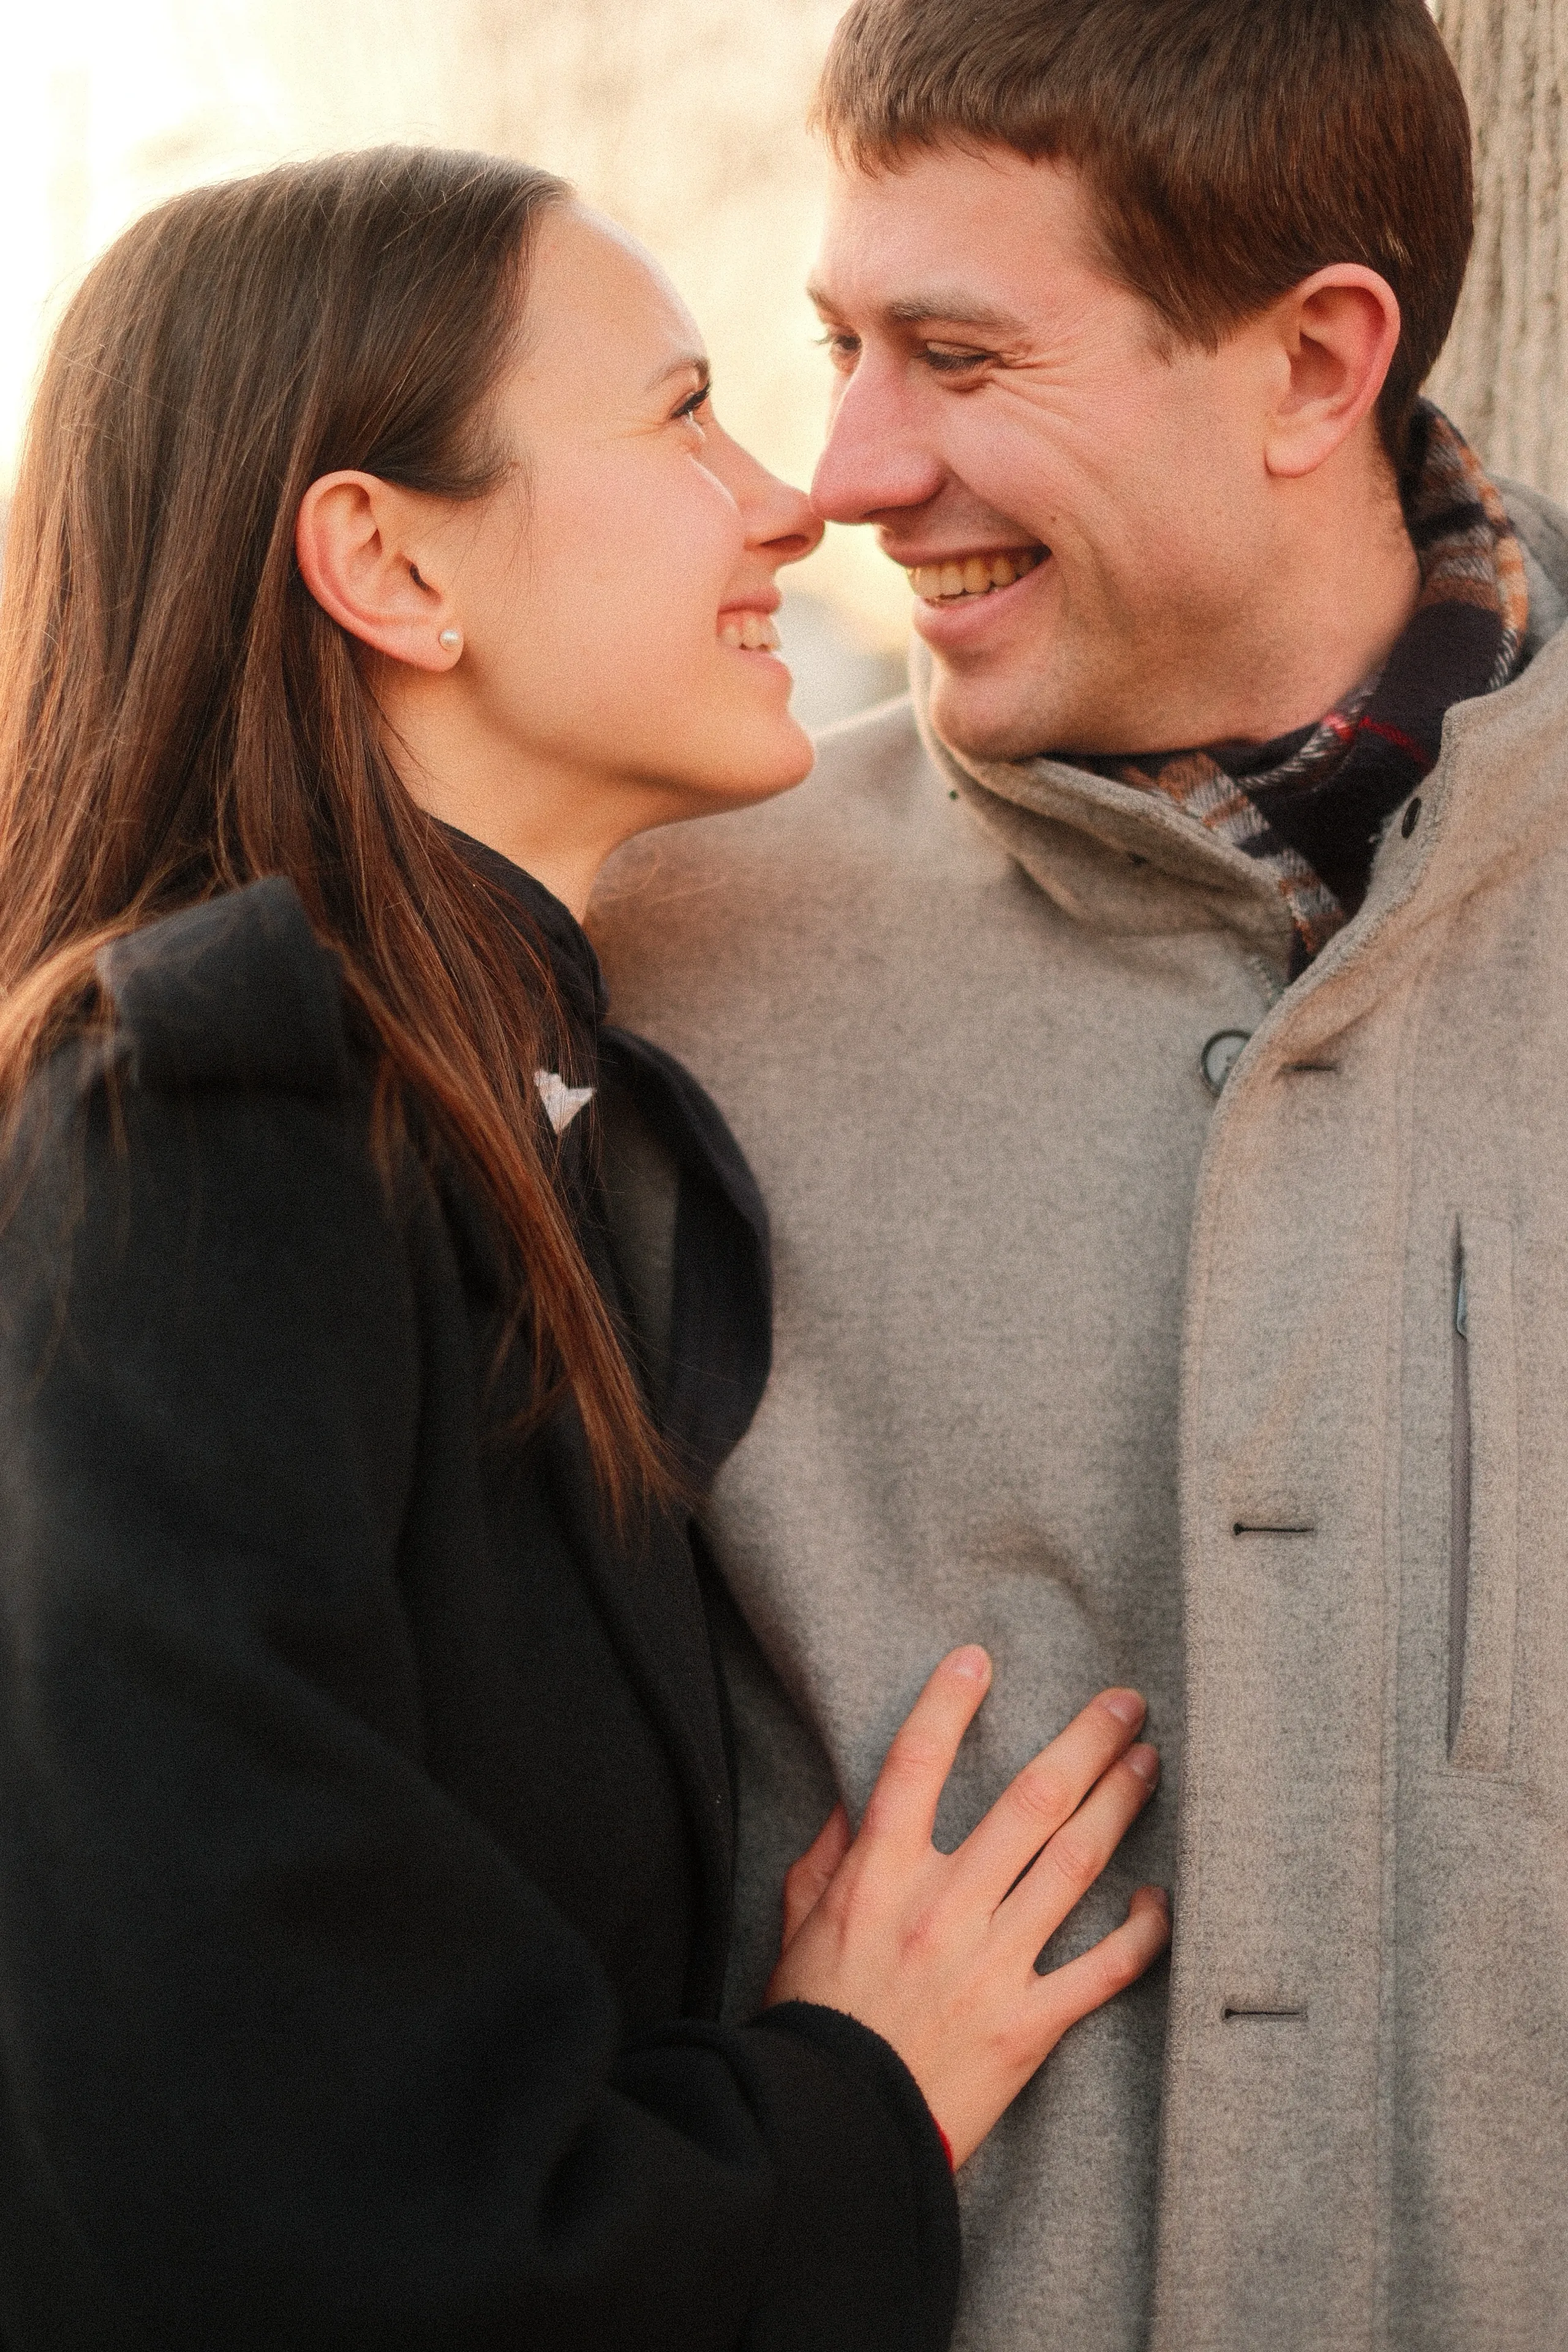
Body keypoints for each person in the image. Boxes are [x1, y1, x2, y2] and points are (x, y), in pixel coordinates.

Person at [0, 147, 1173, 2349]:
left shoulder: (465, 1117)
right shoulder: (197, 1153)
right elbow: (268, 2208)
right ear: (387, 565)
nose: (790, 503)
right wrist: (852, 2096)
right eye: (681, 414)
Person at [590, 2, 1568, 2346]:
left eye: (954, 353)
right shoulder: (668, 950)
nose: (840, 466)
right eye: (837, 344)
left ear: (1318, 363)